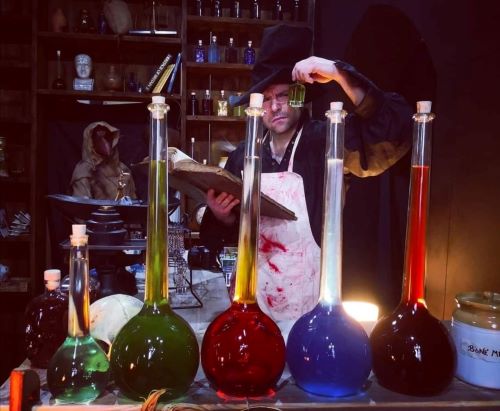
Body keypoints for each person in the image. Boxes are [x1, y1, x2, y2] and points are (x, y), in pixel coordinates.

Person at [200, 24, 412, 321]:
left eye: (284, 95)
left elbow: (391, 130)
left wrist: (339, 73)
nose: (275, 107)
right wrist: (222, 217)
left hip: (313, 300)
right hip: (254, 300)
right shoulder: (245, 156)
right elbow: (222, 240)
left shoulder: (328, 142)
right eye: (267, 99)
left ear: (301, 95)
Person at [70, 121, 137, 200]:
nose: (104, 142)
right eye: (99, 138)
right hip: (95, 212)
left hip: (124, 211)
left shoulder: (123, 169)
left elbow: (133, 200)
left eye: (107, 137)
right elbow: (81, 204)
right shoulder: (84, 170)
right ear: (91, 142)